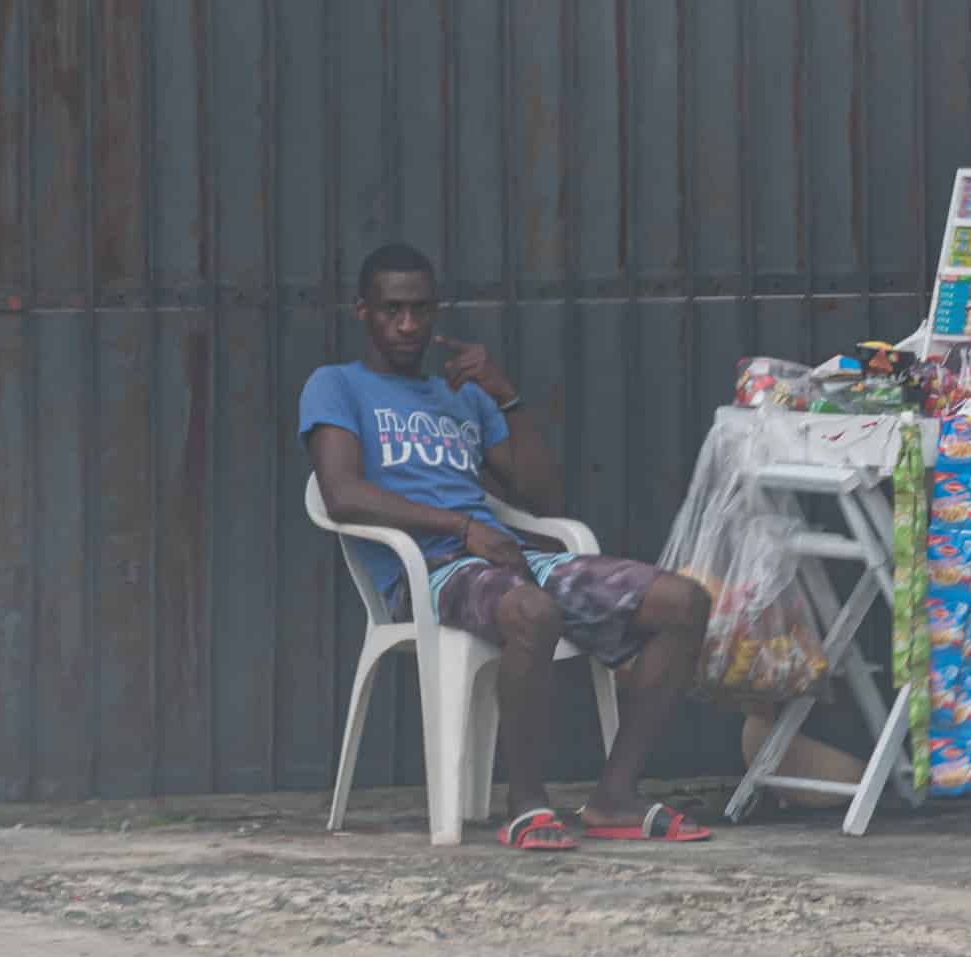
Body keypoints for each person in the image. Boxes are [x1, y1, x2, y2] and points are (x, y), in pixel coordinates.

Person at [301, 243, 715, 850]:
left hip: (509, 560)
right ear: (363, 311)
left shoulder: (463, 396)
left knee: (685, 602)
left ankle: (614, 797)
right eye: (392, 310)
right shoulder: (336, 386)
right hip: (428, 574)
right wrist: (462, 529)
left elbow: (541, 497)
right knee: (532, 612)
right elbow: (342, 495)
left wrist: (507, 397)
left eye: (420, 310)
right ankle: (525, 806)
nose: (409, 324)